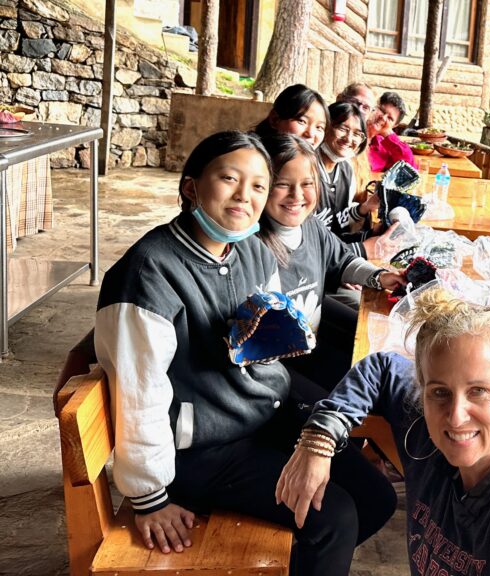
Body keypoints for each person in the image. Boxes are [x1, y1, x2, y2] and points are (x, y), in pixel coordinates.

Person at [94, 131, 392, 575]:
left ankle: (292, 563)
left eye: (257, 185)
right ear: (191, 186)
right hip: (205, 448)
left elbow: (270, 326)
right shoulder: (149, 275)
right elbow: (139, 397)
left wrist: (279, 334)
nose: (245, 196)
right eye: (229, 179)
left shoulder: (251, 248)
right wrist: (149, 498)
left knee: (376, 497)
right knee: (333, 518)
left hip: (262, 411)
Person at [276, 287, 490, 575]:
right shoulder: (424, 419)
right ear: (422, 389)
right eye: (439, 392)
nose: (455, 416)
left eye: (479, 390)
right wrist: (318, 439)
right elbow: (381, 367)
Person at [257, 133, 405, 388]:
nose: (297, 195)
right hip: (277, 369)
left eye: (307, 184)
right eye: (282, 184)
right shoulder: (253, 246)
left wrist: (381, 277)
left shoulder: (311, 227)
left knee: (381, 362)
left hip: (311, 344)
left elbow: (343, 260)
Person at [317, 102, 379, 240]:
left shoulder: (346, 168)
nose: (349, 139)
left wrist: (366, 207)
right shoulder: (307, 169)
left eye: (357, 134)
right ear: (325, 126)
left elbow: (337, 221)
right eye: (342, 128)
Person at [253, 84, 329, 150]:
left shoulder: (308, 164)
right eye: (302, 121)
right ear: (275, 119)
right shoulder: (251, 158)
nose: (311, 134)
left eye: (319, 127)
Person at [365, 91, 418, 172]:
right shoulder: (354, 132)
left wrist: (388, 134)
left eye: (390, 118)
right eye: (382, 111)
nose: (383, 118)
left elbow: (409, 168)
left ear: (394, 126)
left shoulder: (385, 146)